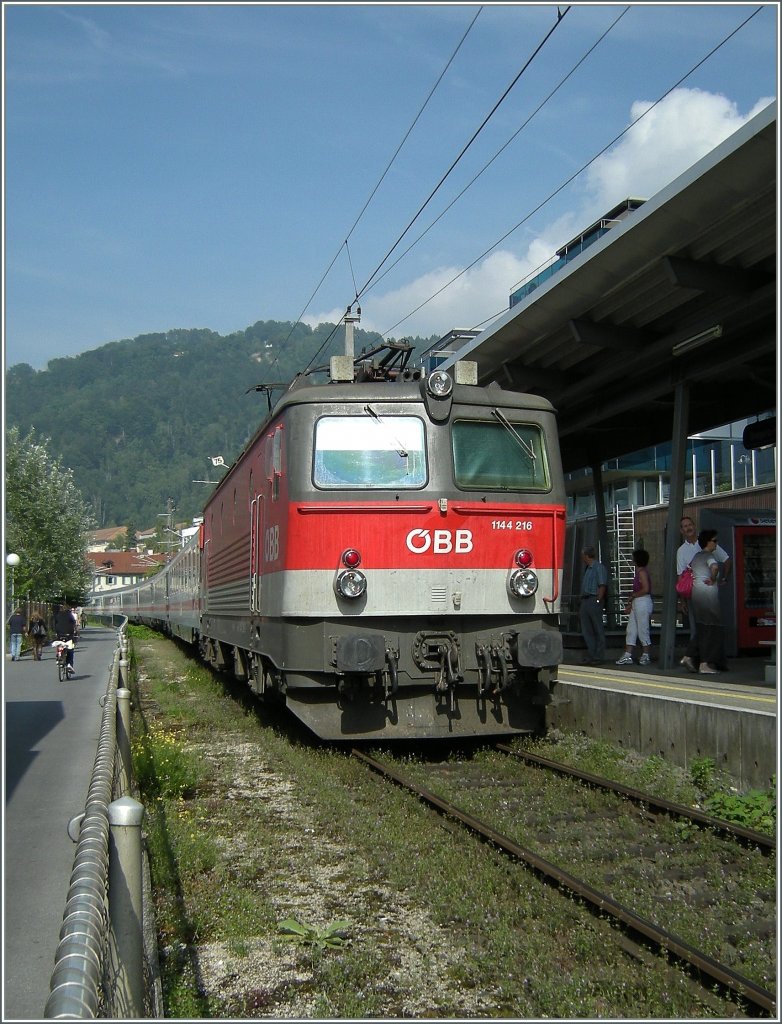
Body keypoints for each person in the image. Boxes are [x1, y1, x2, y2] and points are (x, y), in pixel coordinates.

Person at [677, 515, 731, 645]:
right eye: (685, 526)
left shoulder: (708, 542)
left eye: (690, 525)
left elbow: (726, 560)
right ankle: (699, 657)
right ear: (681, 531)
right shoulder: (681, 551)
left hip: (710, 593)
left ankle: (702, 656)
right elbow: (680, 576)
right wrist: (682, 600)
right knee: (697, 627)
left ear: (694, 526)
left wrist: (724, 578)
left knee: (710, 625)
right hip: (693, 594)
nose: (688, 528)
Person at [681, 529, 726, 675]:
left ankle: (689, 656)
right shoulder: (708, 555)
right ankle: (704, 663)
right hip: (708, 597)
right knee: (712, 629)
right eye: (715, 541)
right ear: (708, 542)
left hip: (696, 595)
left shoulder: (696, 557)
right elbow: (715, 567)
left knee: (702, 627)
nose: (716, 543)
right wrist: (713, 578)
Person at [616, 549, 653, 666]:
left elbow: (645, 589)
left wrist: (633, 596)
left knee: (643, 629)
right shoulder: (641, 572)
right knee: (631, 629)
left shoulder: (641, 572)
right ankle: (628, 655)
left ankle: (646, 655)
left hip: (642, 601)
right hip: (639, 602)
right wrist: (632, 602)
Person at [579, 546, 608, 665]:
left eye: (582, 555)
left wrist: (598, 600)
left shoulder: (598, 568)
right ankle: (591, 655)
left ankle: (599, 656)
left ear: (586, 555)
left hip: (593, 599)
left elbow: (602, 585)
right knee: (587, 630)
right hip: (585, 600)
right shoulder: (588, 569)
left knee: (597, 628)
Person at [54, 604, 77, 676]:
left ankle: (58, 657)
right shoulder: (70, 615)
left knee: (59, 645)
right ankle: (69, 664)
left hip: (59, 634)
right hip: (68, 635)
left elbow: (55, 623)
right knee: (70, 649)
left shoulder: (58, 615)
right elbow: (74, 623)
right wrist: (74, 632)